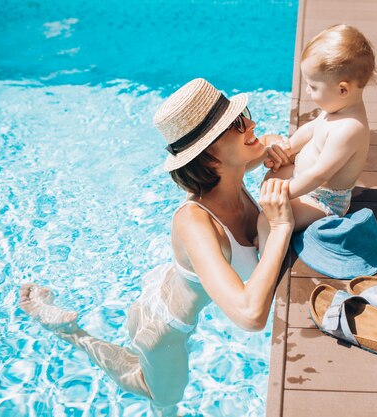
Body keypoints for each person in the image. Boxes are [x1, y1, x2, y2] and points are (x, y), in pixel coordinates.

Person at [19, 78, 294, 416]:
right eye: (237, 125)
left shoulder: (231, 172)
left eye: (244, 116)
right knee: (162, 399)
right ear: (209, 154)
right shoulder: (195, 223)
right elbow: (250, 316)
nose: (251, 124)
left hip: (167, 295)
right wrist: (279, 227)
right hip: (164, 329)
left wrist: (275, 146)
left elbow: (271, 140)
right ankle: (71, 333)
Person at [258, 24, 377, 243]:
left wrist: (287, 192)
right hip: (307, 182)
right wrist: (289, 147)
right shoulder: (337, 108)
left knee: (267, 219)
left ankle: (263, 252)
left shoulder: (349, 129)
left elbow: (320, 174)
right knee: (271, 178)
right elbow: (312, 128)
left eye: (313, 86)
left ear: (343, 89)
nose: (307, 91)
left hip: (323, 200)